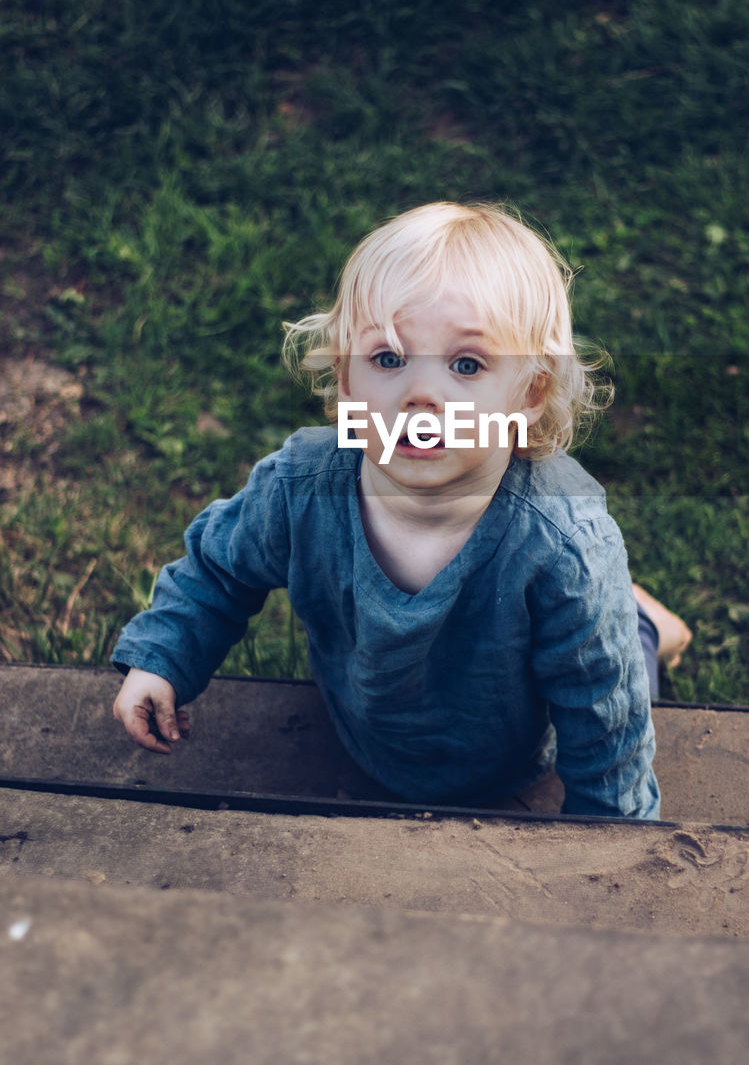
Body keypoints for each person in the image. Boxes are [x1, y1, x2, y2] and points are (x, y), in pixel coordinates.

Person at [111, 202, 691, 819]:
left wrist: (615, 849)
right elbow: (217, 570)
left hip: (514, 763)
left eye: (466, 364)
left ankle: (642, 625)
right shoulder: (303, 485)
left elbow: (606, 719)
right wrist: (162, 657)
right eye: (388, 359)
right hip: (361, 736)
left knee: (616, 654)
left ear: (529, 392)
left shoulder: (562, 545)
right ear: (347, 377)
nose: (421, 393)